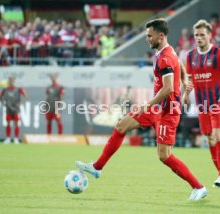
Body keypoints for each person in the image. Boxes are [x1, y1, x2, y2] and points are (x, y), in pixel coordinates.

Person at [76, 19, 207, 201]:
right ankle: (97, 167)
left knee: (164, 156)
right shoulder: (166, 52)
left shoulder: (166, 58)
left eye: (149, 36)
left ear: (161, 36)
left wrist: (149, 104)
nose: (147, 39)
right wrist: (185, 80)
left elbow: (168, 88)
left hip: (167, 112)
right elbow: (180, 64)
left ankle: (199, 187)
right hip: (157, 108)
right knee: (121, 125)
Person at [182, 19, 220, 187]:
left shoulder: (219, 54)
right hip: (202, 105)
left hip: (218, 102)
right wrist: (186, 94)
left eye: (202, 35)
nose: (199, 38)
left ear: (210, 35)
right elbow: (190, 79)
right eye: (196, 35)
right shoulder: (190, 56)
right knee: (210, 138)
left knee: (219, 135)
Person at [0, 76, 27, 144]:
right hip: (8, 108)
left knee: (16, 123)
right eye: (10, 80)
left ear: (14, 81)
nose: (11, 81)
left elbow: (25, 95)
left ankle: (16, 139)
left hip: (16, 109)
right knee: (8, 123)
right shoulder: (5, 89)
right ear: (8, 81)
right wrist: (3, 103)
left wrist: (21, 103)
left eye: (12, 80)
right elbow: (0, 96)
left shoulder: (18, 89)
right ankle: (8, 138)